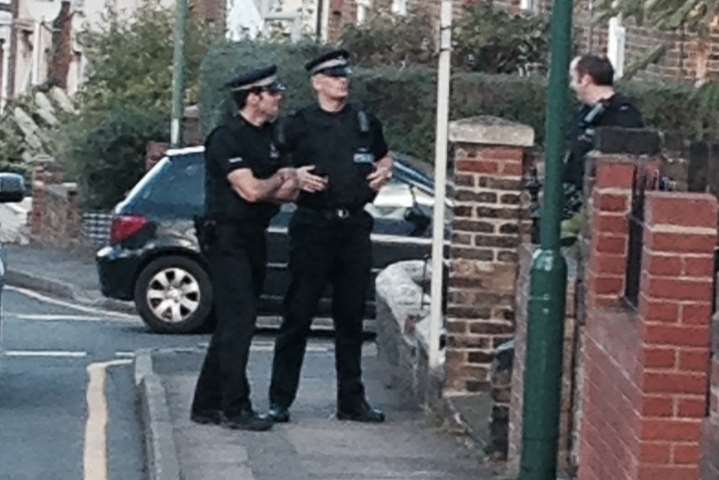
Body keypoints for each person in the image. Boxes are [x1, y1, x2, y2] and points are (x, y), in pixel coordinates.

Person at [267, 49, 393, 424]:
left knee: (351, 318)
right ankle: (279, 399)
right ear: (317, 83)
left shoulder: (364, 121)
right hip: (313, 224)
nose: (343, 81)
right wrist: (294, 176)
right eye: (335, 75)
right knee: (298, 314)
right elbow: (274, 163)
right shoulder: (298, 124)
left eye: (345, 75)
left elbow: (385, 157)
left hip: (353, 225)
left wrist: (385, 171)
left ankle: (351, 401)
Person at [190, 65, 299, 431]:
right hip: (226, 237)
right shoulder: (227, 138)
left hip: (254, 235)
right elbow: (250, 191)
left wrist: (275, 182)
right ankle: (235, 408)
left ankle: (205, 405)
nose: (279, 96)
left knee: (232, 324)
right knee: (239, 322)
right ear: (252, 97)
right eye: (273, 91)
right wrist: (277, 181)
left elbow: (290, 190)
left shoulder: (272, 136)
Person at [561, 54, 644, 242]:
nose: (572, 85)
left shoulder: (623, 115)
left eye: (574, 79)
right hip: (574, 198)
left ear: (586, 80)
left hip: (598, 204)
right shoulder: (585, 112)